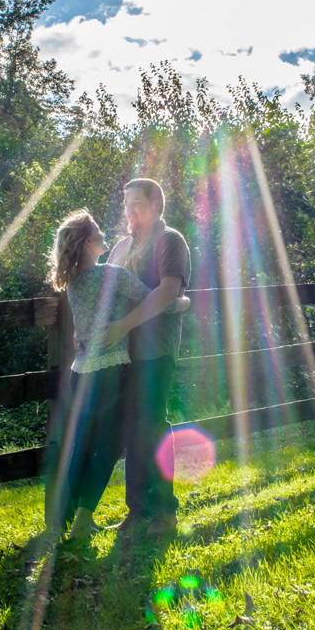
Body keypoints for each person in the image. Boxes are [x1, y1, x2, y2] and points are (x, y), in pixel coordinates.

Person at [46, 208, 190, 542]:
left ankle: (65, 520)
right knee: (109, 447)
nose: (103, 233)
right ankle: (83, 520)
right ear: (86, 243)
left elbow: (82, 327)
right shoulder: (112, 275)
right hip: (112, 373)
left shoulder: (73, 283)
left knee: (82, 443)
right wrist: (184, 302)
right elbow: (161, 301)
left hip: (81, 374)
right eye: (97, 230)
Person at [102, 178, 191, 536]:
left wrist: (123, 325)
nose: (129, 211)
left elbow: (169, 291)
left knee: (151, 425)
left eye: (137, 203)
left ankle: (165, 514)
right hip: (120, 354)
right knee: (131, 430)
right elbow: (103, 288)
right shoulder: (121, 246)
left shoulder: (169, 241)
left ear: (156, 207)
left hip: (155, 351)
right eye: (126, 204)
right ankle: (137, 512)